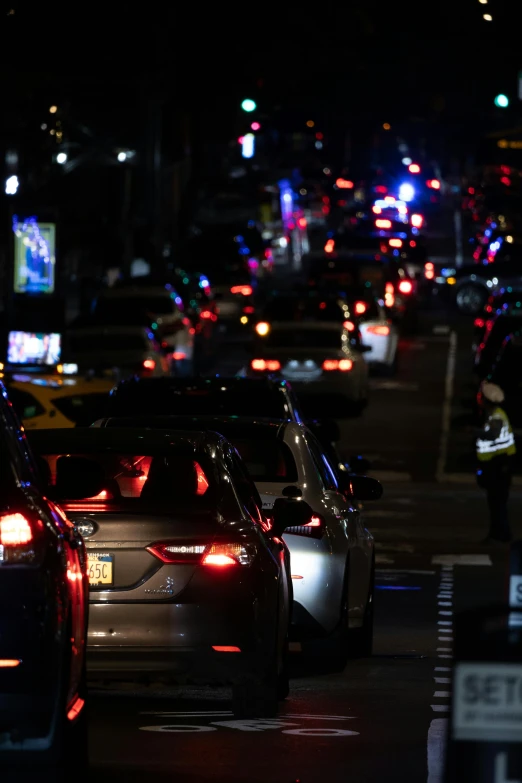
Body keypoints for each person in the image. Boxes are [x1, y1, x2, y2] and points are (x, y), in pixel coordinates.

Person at [476, 381, 516, 543]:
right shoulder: (496, 414)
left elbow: (493, 435)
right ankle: (498, 533)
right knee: (496, 502)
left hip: (498, 466)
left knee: (497, 502)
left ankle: (500, 534)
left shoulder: (497, 417)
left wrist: (475, 433)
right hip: (499, 465)